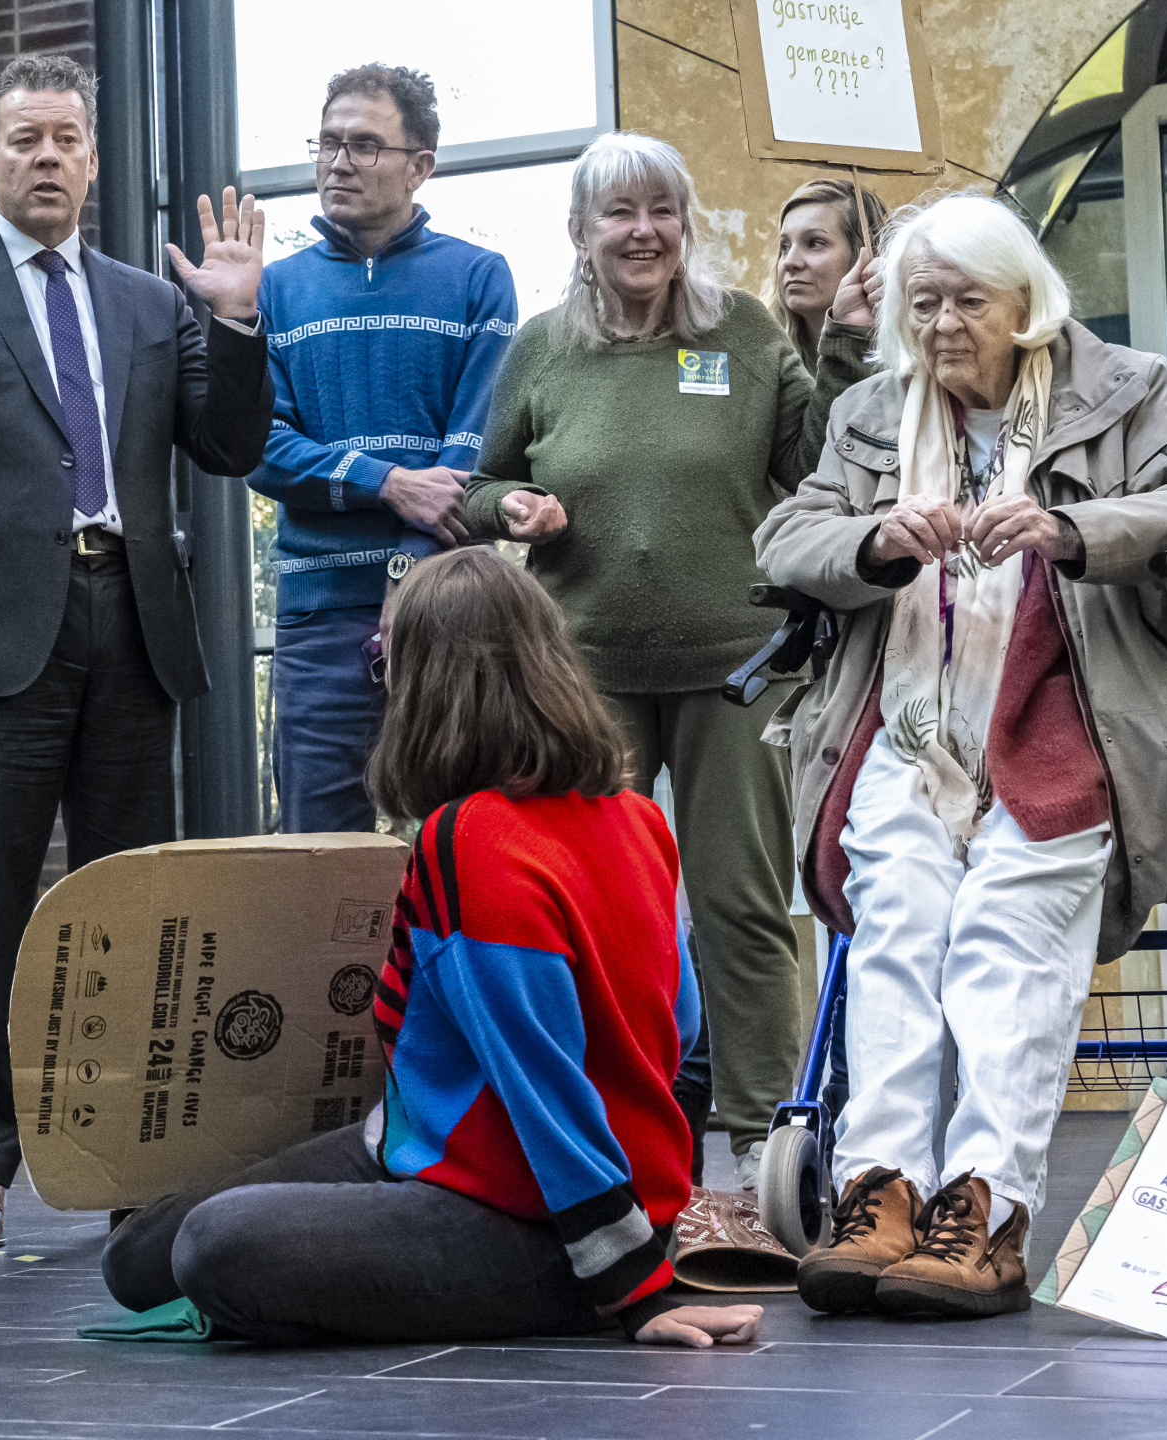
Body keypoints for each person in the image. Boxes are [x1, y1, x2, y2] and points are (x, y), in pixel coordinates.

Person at [759, 194, 1167, 1317]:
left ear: (1023, 303)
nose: (940, 324)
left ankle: (982, 1212)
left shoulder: (1121, 390)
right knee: (895, 933)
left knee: (999, 949)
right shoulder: (871, 415)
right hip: (906, 724)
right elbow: (786, 538)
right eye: (920, 301)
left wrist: (1076, 531)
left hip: (1066, 724)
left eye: (965, 300)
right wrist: (876, 538)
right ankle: (877, 1194)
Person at [0, 53, 273, 1250]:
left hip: (129, 623)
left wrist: (233, 318)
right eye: (23, 139)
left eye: (65, 138)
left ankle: (133, 1156)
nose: (46, 157)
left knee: (133, 912)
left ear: (89, 157)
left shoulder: (145, 300)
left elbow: (228, 447)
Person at [101, 549, 756, 1348]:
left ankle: (571, 1287)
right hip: (434, 1152)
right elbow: (684, 1040)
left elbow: (537, 1077)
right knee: (137, 1258)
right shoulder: (639, 819)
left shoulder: (469, 841)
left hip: (536, 1221)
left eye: (383, 659)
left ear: (424, 682)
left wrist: (633, 1285)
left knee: (215, 1245)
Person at [457, 131, 877, 1191]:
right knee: (597, 912)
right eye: (618, 213)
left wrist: (839, 348)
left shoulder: (737, 333)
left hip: (734, 663)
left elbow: (819, 465)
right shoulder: (542, 349)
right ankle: (613, 1138)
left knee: (739, 905)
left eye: (661, 211)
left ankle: (758, 1148)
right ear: (580, 232)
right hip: (582, 676)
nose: (642, 232)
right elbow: (476, 486)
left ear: (684, 225)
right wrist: (505, 505)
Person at [251, 63, 517, 835]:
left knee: (461, 844)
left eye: (365, 145)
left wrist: (407, 574)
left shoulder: (477, 278)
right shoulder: (274, 290)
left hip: (448, 610)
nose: (338, 162)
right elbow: (261, 448)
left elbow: (473, 444)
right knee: (314, 859)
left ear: (420, 166)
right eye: (328, 143)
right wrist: (389, 482)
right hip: (318, 624)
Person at [769, 177, 890, 359]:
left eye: (815, 243)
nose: (789, 262)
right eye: (784, 247)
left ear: (864, 254)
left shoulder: (907, 361)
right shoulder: (761, 352)